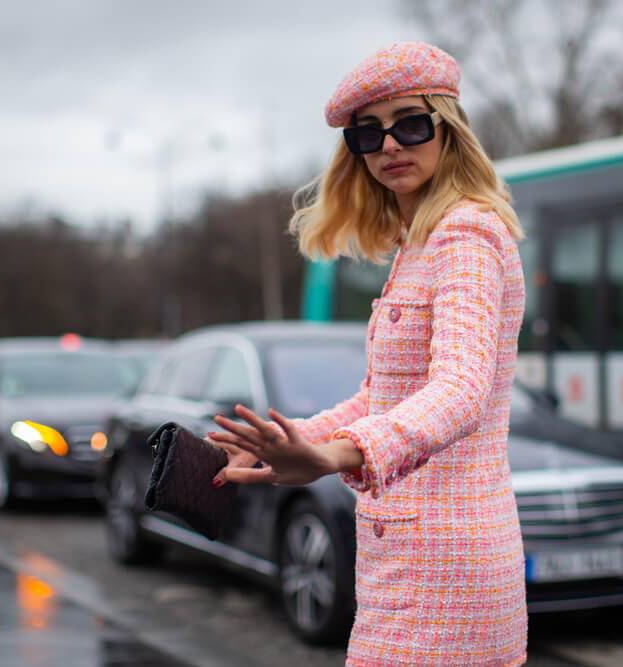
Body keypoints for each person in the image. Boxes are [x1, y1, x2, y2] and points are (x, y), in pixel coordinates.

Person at [207, 41, 528, 666]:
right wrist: (289, 439)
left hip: (445, 569)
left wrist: (331, 456)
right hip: (407, 559)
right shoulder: (419, 243)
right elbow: (384, 397)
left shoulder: (464, 234)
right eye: (367, 134)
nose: (389, 145)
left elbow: (462, 389)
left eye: (410, 123)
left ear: (448, 129)